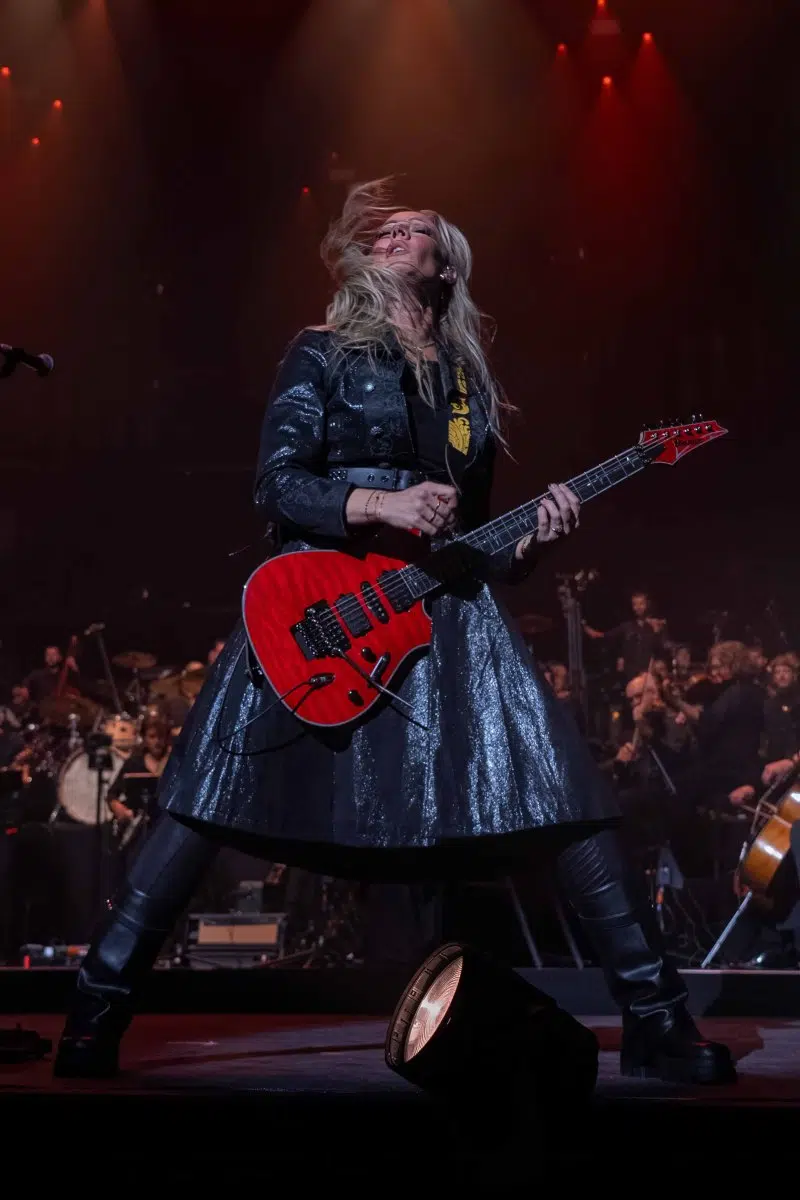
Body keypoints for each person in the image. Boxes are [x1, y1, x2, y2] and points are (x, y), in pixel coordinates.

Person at [54, 178, 733, 1085]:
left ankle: (655, 1019)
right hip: (325, 601)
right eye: (387, 231)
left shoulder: (466, 384)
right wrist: (379, 499)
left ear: (444, 260)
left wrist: (532, 535)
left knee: (566, 800)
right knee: (201, 803)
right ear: (366, 262)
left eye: (420, 228)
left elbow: (480, 533)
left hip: (447, 611)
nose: (400, 235)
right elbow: (279, 486)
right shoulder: (322, 353)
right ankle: (93, 1018)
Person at [583, 591, 669, 681]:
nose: (638, 607)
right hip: (631, 675)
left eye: (641, 604)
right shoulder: (627, 627)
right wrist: (586, 628)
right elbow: (606, 637)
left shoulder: (654, 625)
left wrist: (656, 632)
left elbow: (660, 650)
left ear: (647, 605)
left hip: (649, 674)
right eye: (635, 604)